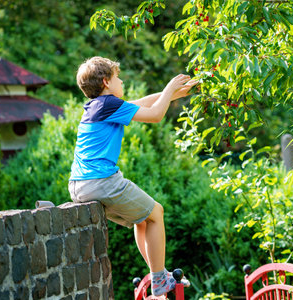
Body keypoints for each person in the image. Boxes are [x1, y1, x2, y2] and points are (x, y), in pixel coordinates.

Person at [68, 56, 197, 296]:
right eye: (118, 77)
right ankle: (159, 279)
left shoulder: (99, 106)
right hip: (101, 181)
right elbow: (156, 114)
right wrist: (169, 87)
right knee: (156, 212)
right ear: (106, 82)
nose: (122, 81)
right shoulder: (108, 105)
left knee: (142, 219)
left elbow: (144, 103)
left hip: (80, 184)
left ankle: (158, 274)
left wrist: (175, 94)